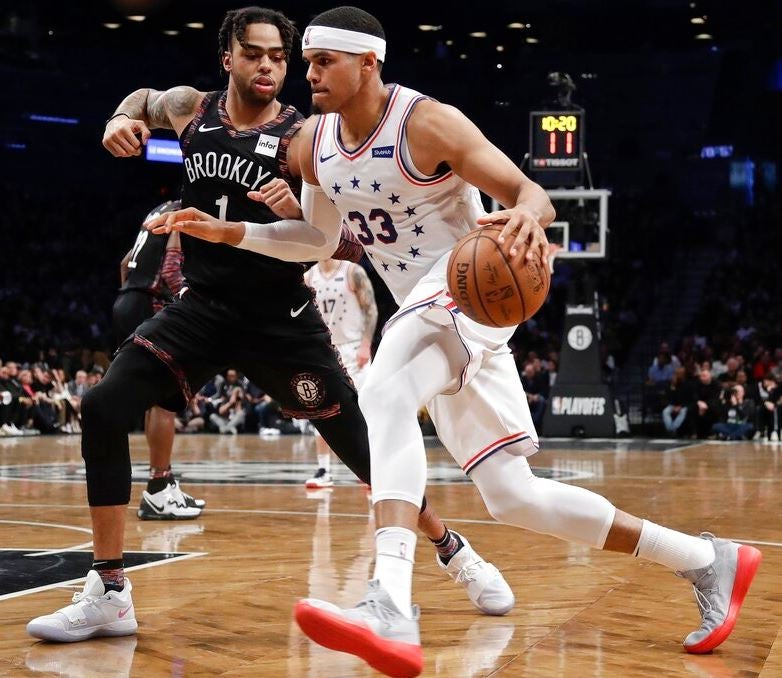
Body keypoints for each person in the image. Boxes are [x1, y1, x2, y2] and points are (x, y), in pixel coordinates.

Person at [150, 7, 763, 675]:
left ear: (369, 63)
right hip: (434, 316)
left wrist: (528, 214)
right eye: (310, 63)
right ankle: (708, 561)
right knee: (514, 496)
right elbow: (318, 242)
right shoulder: (311, 145)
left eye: (324, 62)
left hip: (472, 291)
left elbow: (534, 193)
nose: (310, 74)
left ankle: (389, 601)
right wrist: (228, 233)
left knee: (381, 390)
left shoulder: (427, 123)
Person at [26, 6, 513, 645]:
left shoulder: (305, 138)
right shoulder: (190, 109)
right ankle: (109, 590)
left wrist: (298, 213)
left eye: (280, 58)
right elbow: (144, 98)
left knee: (368, 454)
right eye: (255, 54)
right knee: (103, 404)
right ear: (227, 57)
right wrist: (121, 118)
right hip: (200, 309)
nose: (269, 67)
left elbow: (336, 242)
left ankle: (455, 551)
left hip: (279, 321)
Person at [113, 199, 204, 519]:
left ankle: (163, 484)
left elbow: (126, 262)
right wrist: (192, 303)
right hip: (150, 301)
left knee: (158, 398)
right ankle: (157, 489)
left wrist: (132, 296)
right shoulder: (185, 205)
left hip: (129, 299)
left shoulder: (158, 208)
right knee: (166, 399)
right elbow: (170, 270)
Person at [303, 257, 377, 488]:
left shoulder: (352, 271)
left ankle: (372, 469)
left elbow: (371, 310)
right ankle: (323, 470)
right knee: (323, 410)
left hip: (355, 348)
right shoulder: (308, 277)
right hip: (326, 350)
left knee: (366, 409)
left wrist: (366, 344)